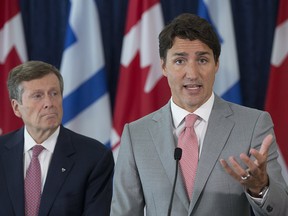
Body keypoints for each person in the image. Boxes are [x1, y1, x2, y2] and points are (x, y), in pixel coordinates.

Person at [110, 13, 288, 216]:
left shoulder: (254, 124)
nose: (192, 73)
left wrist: (261, 188)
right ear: (163, 66)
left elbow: (282, 211)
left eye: (202, 60)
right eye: (180, 61)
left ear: (216, 64)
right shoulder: (136, 134)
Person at [0, 60, 114, 216]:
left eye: (54, 93)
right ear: (16, 107)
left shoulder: (94, 157)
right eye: (37, 96)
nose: (49, 103)